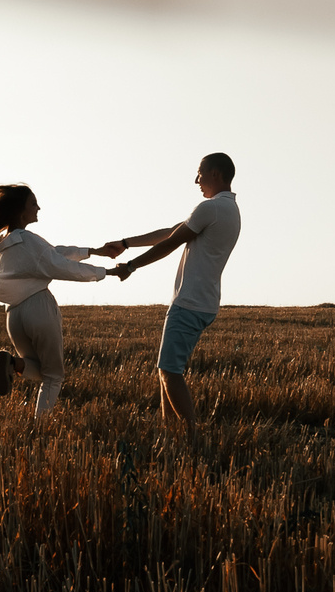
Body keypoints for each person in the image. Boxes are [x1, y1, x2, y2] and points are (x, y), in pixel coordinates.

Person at [99, 153, 241, 441]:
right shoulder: (227, 210)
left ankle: (191, 438)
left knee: (169, 371)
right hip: (205, 302)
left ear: (215, 173)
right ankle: (170, 436)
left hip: (189, 302)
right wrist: (126, 244)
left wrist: (131, 266)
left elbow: (171, 243)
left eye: (200, 173)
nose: (196, 180)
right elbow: (170, 232)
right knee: (166, 370)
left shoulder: (210, 208)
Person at [0, 182, 114, 417]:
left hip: (13, 315)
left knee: (39, 369)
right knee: (54, 376)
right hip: (39, 308)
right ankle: (40, 427)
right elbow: (59, 265)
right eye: (33, 203)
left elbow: (53, 253)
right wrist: (107, 272)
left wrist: (93, 251)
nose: (38, 208)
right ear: (21, 211)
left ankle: (13, 364)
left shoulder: (8, 243)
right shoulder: (28, 239)